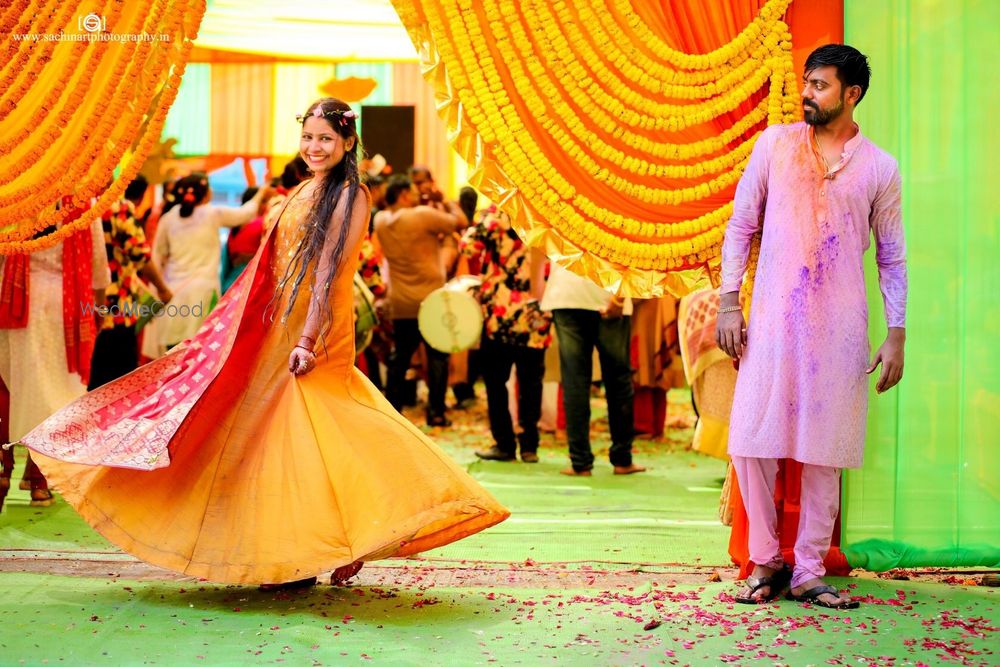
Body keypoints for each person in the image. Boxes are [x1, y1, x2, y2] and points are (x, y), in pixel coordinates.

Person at [16, 97, 508, 586]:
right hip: (276, 325)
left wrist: (308, 339)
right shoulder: (305, 188)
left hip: (314, 328)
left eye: (326, 139)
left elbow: (328, 270)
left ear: (348, 142)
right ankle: (301, 548)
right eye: (309, 138)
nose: (315, 147)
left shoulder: (349, 194)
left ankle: (332, 539)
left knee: (316, 427)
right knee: (275, 433)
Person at [717, 45, 906, 610]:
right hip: (773, 322)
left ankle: (808, 569)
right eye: (806, 82)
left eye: (820, 85)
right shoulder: (774, 146)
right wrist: (731, 303)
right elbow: (741, 225)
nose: (807, 93)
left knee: (825, 452)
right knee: (753, 441)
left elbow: (891, 257)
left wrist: (896, 332)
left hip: (841, 328)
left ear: (852, 95)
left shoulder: (879, 167)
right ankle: (767, 560)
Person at [0, 202, 110, 508]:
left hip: (16, 301)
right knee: (54, 395)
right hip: (66, 307)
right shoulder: (84, 205)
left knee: (15, 387)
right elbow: (98, 265)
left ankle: (6, 469)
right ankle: (37, 481)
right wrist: (99, 307)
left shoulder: (23, 197)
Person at [375, 175, 469, 426]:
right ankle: (436, 412)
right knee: (437, 356)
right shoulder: (422, 215)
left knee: (400, 356)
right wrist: (446, 201)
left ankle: (393, 411)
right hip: (430, 298)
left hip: (401, 300)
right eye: (413, 192)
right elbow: (461, 221)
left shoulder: (381, 220)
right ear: (404, 194)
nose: (418, 195)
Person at [462, 205, 552, 463]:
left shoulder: (495, 218)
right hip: (536, 312)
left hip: (500, 314)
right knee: (532, 381)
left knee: (495, 382)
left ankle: (504, 444)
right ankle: (529, 445)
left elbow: (467, 247)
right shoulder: (544, 214)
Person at [145, 171, 267, 357]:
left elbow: (156, 256)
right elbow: (247, 213)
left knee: (173, 352)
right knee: (199, 349)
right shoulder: (213, 213)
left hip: (173, 292)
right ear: (205, 193)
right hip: (203, 291)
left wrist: (158, 289)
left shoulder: (168, 218)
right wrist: (262, 193)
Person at [540, 264, 646, 476]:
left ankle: (580, 462)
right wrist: (619, 297)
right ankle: (622, 459)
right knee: (617, 379)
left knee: (574, 381)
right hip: (608, 291)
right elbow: (631, 247)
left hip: (567, 292)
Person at [88, 177, 172, 390]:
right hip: (118, 310)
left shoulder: (79, 209)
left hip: (85, 309)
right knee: (118, 385)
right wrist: (162, 288)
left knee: (89, 384)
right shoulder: (119, 208)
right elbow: (140, 255)